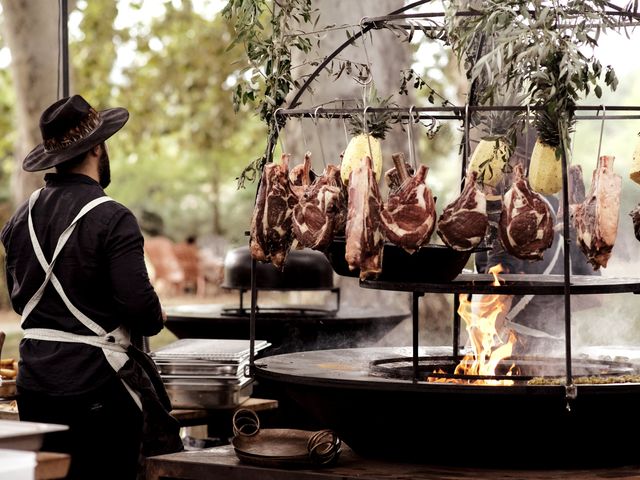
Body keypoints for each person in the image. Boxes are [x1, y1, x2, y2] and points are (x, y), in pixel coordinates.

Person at [1, 95, 183, 479]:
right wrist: (156, 312)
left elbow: (25, 305)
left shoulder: (21, 217)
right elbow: (141, 311)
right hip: (96, 389)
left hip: (34, 385)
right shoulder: (113, 217)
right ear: (98, 146)